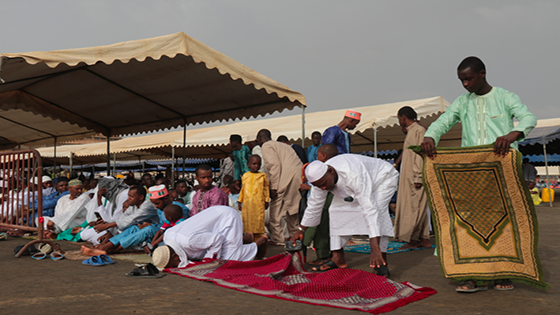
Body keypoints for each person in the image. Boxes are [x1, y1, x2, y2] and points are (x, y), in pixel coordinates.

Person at [421, 56, 537, 292]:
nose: (465, 84)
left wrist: (512, 135)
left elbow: (528, 118)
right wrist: (430, 136)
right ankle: (472, 274)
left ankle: (502, 273)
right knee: (470, 221)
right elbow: (443, 122)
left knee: (503, 220)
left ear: (482, 74)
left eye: (468, 79)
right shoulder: (462, 102)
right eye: (461, 80)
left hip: (502, 169)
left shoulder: (505, 97)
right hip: (472, 171)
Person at [291, 154, 399, 276]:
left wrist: (374, 247)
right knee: (335, 210)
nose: (323, 188)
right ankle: (338, 258)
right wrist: (301, 230)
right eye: (319, 186)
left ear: (331, 171)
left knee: (378, 212)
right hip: (359, 185)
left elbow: (369, 209)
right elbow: (314, 206)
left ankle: (381, 260)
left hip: (383, 178)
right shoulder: (320, 181)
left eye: (324, 184)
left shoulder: (353, 174)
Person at [151, 205, 269, 269]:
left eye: (172, 266)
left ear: (175, 256)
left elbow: (217, 239)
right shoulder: (168, 236)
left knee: (230, 259)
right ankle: (240, 238)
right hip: (213, 221)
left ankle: (260, 241)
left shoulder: (189, 242)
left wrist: (207, 261)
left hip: (226, 218)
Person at [81, 185, 160, 256]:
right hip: (142, 229)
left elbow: (131, 219)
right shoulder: (133, 206)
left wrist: (107, 225)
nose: (128, 199)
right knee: (129, 227)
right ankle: (105, 246)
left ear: (141, 197)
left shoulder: (147, 205)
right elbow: (121, 218)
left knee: (135, 227)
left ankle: (111, 249)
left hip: (154, 231)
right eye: (128, 196)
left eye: (131, 196)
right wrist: (106, 223)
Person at [256, 129, 303, 245]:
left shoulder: (266, 146)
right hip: (297, 178)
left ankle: (279, 240)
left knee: (275, 214)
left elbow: (274, 166)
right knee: (292, 212)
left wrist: (274, 187)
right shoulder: (284, 145)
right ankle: (294, 238)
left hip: (284, 179)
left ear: (260, 138)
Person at [394, 106, 431, 250]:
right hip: (408, 175)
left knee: (414, 207)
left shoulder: (419, 131)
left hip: (415, 176)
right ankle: (424, 239)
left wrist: (418, 177)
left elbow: (419, 155)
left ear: (404, 118)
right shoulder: (412, 132)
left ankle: (412, 239)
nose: (399, 122)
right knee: (418, 207)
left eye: (399, 119)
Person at [302, 143, 338, 266]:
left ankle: (325, 255)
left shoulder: (330, 170)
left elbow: (323, 189)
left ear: (324, 156)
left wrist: (308, 188)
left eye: (318, 155)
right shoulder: (323, 169)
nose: (316, 157)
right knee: (320, 224)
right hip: (323, 202)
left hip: (329, 203)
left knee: (322, 225)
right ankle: (323, 254)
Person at [238, 155, 270, 240]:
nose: (256, 166)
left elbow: (266, 189)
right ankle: (249, 241)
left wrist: (266, 200)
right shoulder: (245, 176)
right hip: (247, 205)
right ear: (249, 164)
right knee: (248, 223)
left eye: (258, 164)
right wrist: (239, 201)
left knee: (258, 222)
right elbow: (243, 189)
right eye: (254, 164)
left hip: (258, 204)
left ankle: (258, 242)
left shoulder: (263, 176)